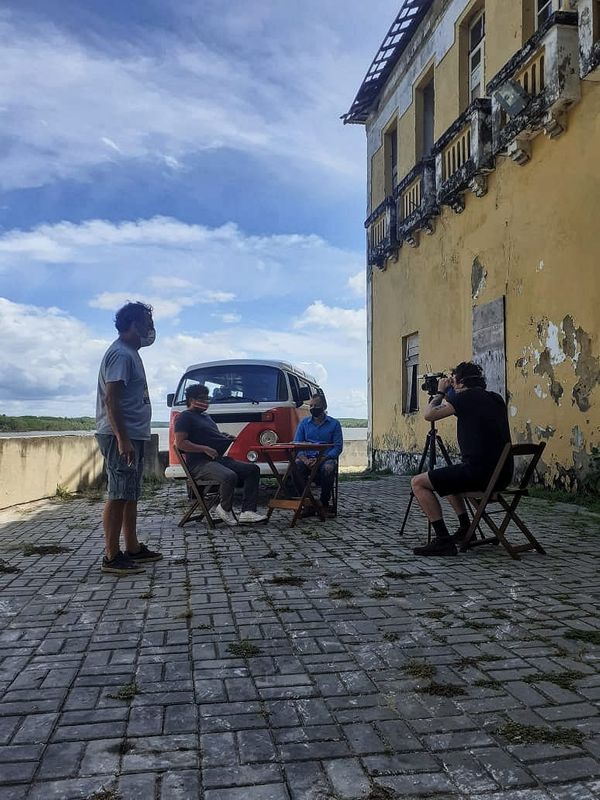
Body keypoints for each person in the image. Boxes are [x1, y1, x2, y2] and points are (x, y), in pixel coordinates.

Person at [411, 361, 513, 557]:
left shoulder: (465, 398)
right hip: (502, 475)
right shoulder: (496, 398)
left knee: (418, 483)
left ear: (459, 381)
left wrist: (441, 392)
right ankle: (466, 528)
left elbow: (429, 415)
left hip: (480, 474)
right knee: (447, 480)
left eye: (454, 380)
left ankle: (442, 540)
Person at [96, 302, 163, 575]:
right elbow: (110, 400)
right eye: (147, 322)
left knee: (130, 493)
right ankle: (112, 557)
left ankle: (132, 547)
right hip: (118, 436)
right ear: (133, 325)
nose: (151, 329)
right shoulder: (121, 355)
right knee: (118, 493)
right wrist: (122, 438)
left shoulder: (131, 353)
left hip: (132, 434)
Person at [174, 384, 267, 525]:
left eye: (207, 398)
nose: (205, 401)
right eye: (201, 398)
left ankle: (248, 512)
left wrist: (224, 436)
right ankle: (224, 508)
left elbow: (211, 435)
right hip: (199, 464)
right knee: (229, 476)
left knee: (252, 470)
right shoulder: (184, 417)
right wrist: (204, 449)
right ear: (191, 400)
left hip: (217, 459)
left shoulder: (205, 416)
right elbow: (181, 443)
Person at [293, 394, 343, 516]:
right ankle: (307, 502)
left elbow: (337, 447)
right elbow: (297, 445)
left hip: (325, 458)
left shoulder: (334, 424)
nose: (313, 408)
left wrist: (321, 459)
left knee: (328, 468)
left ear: (324, 406)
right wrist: (305, 459)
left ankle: (324, 503)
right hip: (307, 458)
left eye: (316, 405)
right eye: (311, 406)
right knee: (295, 467)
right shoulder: (304, 424)